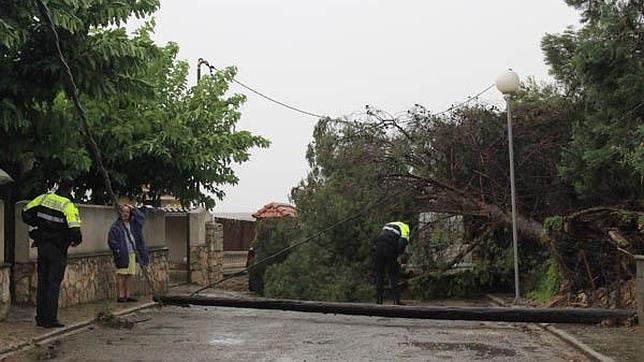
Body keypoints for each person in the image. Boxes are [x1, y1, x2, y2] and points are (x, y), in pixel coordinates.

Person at [22, 177, 82, 328]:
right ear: (70, 189)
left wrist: (39, 225)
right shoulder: (68, 205)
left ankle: (40, 317)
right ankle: (50, 319)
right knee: (53, 283)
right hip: (58, 248)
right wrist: (75, 240)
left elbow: (25, 213)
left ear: (58, 185)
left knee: (43, 282)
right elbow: (75, 230)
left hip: (42, 245)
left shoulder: (43, 198)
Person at [108, 204, 149, 303]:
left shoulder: (134, 224)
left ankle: (128, 295)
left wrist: (133, 209)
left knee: (129, 275)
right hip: (122, 254)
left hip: (132, 253)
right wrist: (117, 250)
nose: (125, 214)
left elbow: (141, 217)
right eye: (123, 212)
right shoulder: (116, 226)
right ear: (120, 213)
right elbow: (111, 240)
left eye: (127, 212)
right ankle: (121, 296)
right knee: (121, 275)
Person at [373, 221, 410, 305]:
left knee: (379, 274)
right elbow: (402, 243)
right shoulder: (405, 227)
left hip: (378, 247)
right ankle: (396, 300)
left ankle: (378, 300)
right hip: (390, 247)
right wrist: (398, 255)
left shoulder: (387, 225)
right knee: (393, 274)